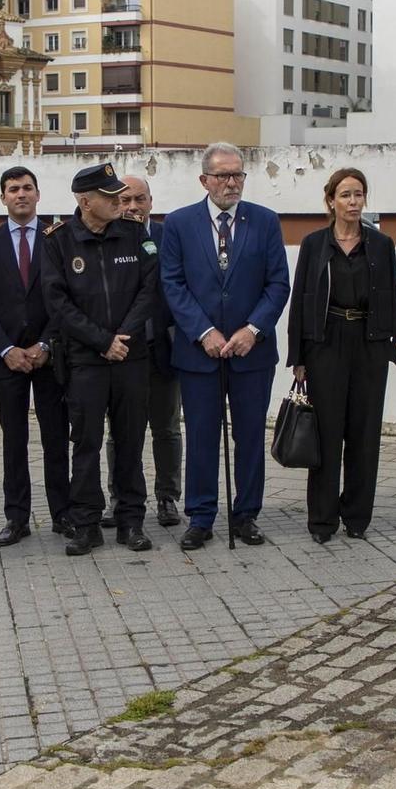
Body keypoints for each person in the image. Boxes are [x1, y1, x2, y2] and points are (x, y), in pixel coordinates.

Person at [160, 142, 290, 549]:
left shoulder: (265, 222)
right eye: (223, 176)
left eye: (238, 175)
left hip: (251, 353)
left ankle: (246, 513)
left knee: (249, 435)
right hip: (200, 353)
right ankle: (201, 515)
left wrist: (252, 329)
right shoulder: (179, 224)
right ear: (205, 180)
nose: (232, 183)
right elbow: (173, 284)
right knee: (200, 435)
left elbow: (277, 283)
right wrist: (204, 332)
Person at [41, 162, 158, 555]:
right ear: (85, 201)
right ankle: (86, 524)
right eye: (109, 196)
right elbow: (58, 304)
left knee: (129, 442)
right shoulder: (59, 241)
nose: (118, 202)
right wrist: (102, 341)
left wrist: (122, 337)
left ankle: (131, 522)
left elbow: (149, 288)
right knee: (86, 444)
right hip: (86, 361)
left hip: (131, 357)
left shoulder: (133, 234)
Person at [289, 168, 396, 544]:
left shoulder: (380, 244)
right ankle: (322, 520)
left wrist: (395, 344)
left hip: (368, 341)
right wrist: (299, 355)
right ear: (331, 201)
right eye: (346, 195)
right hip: (326, 341)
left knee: (364, 432)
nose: (353, 202)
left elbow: (392, 294)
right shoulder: (314, 244)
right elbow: (301, 301)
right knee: (326, 433)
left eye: (359, 195)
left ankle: (357, 516)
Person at [0, 165, 69, 546]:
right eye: (13, 189)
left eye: (28, 188)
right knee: (14, 440)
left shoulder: (57, 238)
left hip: (50, 357)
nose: (21, 195)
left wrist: (46, 344)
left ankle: (63, 513)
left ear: (38, 194)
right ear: (3, 198)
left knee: (56, 437)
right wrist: (6, 349)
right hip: (7, 359)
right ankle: (16, 517)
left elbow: (65, 299)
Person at [107, 175, 181, 529]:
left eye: (139, 199)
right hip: (122, 353)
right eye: (124, 201)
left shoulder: (171, 236)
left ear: (151, 201)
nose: (132, 207)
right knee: (118, 431)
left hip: (163, 347)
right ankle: (118, 497)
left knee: (166, 428)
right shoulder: (107, 236)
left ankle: (168, 497)